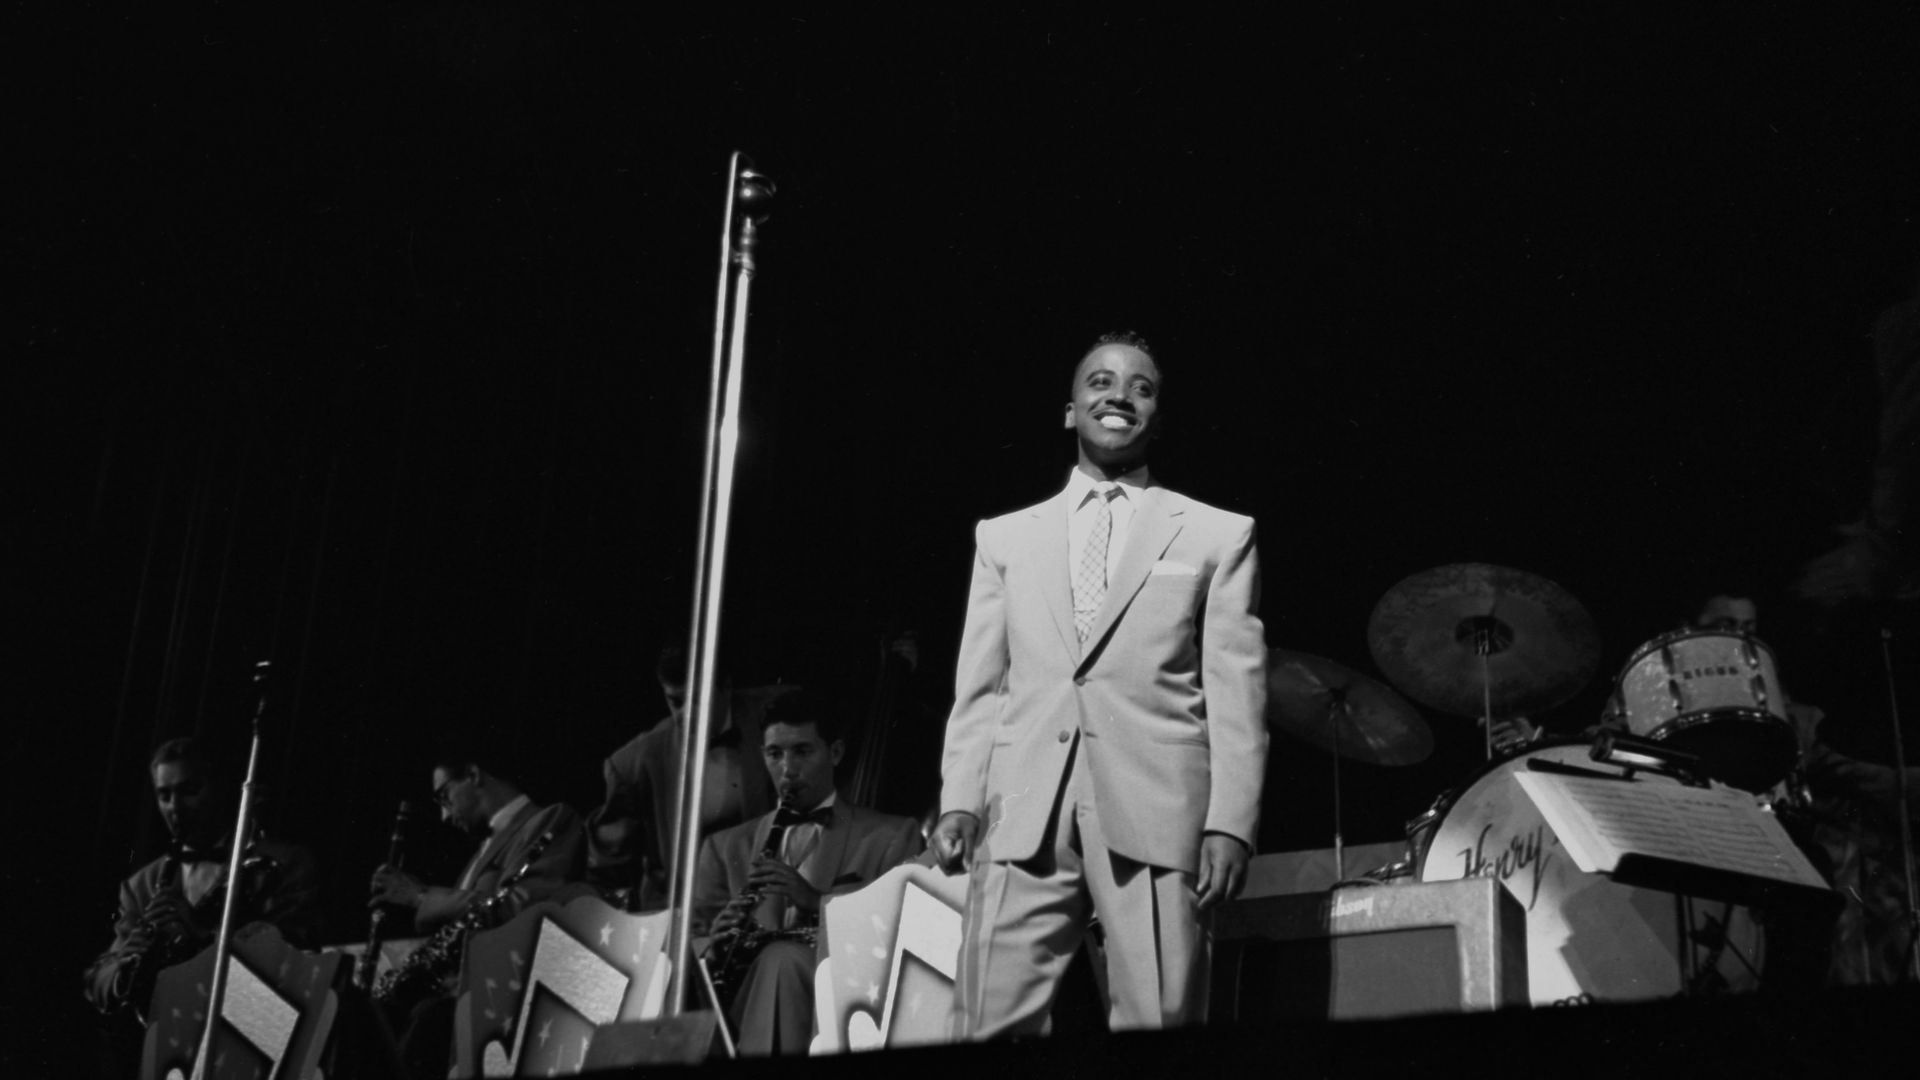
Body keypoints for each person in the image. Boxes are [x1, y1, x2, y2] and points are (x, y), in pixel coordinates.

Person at [931, 331, 1269, 1037]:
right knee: (986, 1022)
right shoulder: (1004, 537)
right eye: (1102, 381)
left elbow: (1237, 692)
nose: (1119, 395)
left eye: (1141, 387)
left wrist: (1229, 821)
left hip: (1157, 808)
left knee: (1163, 1020)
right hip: (1023, 808)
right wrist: (960, 797)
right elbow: (981, 686)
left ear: (1157, 414)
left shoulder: (1216, 534)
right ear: (1070, 408)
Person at [691, 692, 923, 1055]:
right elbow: (691, 950)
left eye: (802, 751)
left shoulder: (891, 837)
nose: (787, 769)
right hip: (740, 1014)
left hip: (842, 1012)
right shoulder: (723, 848)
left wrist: (818, 902)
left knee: (781, 960)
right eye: (775, 754)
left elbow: (902, 935)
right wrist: (716, 948)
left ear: (835, 753)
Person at [85, 736, 321, 1070]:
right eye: (164, 795)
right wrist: (127, 966)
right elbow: (99, 978)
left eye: (189, 791)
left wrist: (200, 935)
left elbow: (293, 960)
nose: (175, 808)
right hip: (165, 1050)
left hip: (251, 1042)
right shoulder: (142, 884)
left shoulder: (283, 863)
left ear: (221, 789)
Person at [367, 744, 585, 1078]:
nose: (444, 815)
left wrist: (420, 896)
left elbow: (520, 905)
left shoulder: (550, 819)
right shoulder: (479, 853)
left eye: (444, 796)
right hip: (460, 999)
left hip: (502, 1002)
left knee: (428, 1025)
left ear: (472, 775)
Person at [586, 646, 792, 908]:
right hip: (681, 914)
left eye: (698, 699)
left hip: (764, 902)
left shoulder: (774, 717)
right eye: (676, 701)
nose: (687, 713)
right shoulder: (636, 762)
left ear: (726, 687)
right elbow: (607, 869)